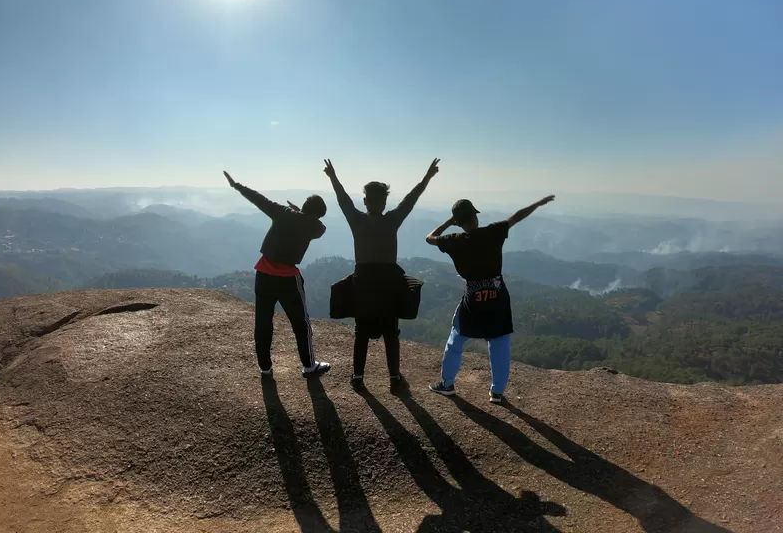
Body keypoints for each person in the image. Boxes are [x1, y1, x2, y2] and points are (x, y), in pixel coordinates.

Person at [324, 157, 440, 393]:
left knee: (362, 332)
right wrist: (427, 177)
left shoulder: (356, 220)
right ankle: (394, 379)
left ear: (365, 201)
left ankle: (357, 378)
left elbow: (343, 199)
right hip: (389, 283)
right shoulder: (392, 220)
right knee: (390, 332)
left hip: (363, 282)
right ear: (385, 202)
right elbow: (411, 199)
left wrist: (333, 177)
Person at [426, 194, 555, 404]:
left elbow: (429, 237)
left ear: (458, 222)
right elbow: (517, 216)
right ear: (475, 217)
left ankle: (447, 383)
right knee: (500, 342)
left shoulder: (454, 241)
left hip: (473, 299)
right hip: (498, 297)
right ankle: (497, 392)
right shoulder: (493, 232)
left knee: (456, 338)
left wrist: (449, 223)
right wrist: (538, 204)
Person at [223, 170, 331, 379]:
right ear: (317, 214)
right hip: (288, 279)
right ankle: (309, 366)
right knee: (301, 323)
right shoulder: (314, 227)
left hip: (264, 274)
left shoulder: (281, 213)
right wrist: (302, 214)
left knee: (263, 322)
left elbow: (259, 199)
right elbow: (321, 227)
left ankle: (265, 368)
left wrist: (236, 185)